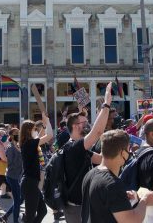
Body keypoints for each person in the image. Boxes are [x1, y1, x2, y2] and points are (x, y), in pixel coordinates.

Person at [81, 130, 153, 223]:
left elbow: (101, 202)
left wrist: (122, 195)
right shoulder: (112, 184)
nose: (129, 153)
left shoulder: (90, 174)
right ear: (122, 153)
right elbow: (132, 220)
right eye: (128, 149)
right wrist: (145, 199)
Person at [62, 82, 112, 223]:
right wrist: (106, 104)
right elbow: (97, 131)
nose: (88, 124)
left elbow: (102, 159)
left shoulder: (80, 148)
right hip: (76, 208)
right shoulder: (72, 148)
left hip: (84, 204)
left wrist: (111, 144)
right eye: (84, 123)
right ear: (75, 126)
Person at [20, 112, 53, 223]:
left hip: (31, 182)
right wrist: (48, 121)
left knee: (42, 211)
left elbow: (39, 136)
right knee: (30, 216)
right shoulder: (29, 143)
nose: (36, 130)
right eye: (34, 129)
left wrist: (43, 125)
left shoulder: (29, 142)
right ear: (29, 131)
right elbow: (49, 136)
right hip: (30, 183)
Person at [0, 128, 23, 223]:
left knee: (20, 199)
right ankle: (15, 221)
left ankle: (6, 216)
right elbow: (10, 163)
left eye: (19, 133)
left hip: (18, 176)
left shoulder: (18, 145)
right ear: (12, 135)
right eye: (16, 133)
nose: (18, 135)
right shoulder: (10, 147)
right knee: (18, 200)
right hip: (12, 176)